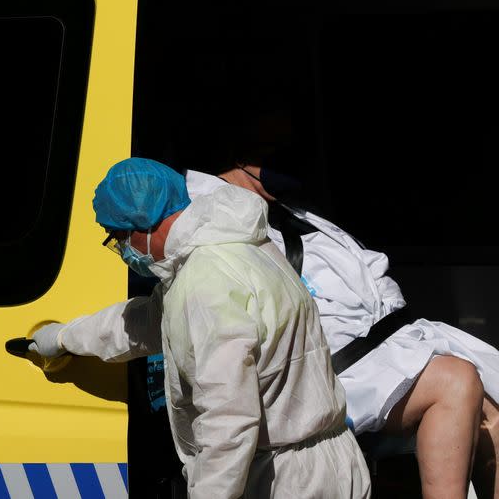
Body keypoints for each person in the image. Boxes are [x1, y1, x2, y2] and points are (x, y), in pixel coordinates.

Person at [31, 157, 370, 498]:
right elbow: (147, 320)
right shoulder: (240, 245)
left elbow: (227, 421)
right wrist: (63, 337)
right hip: (333, 462)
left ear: (143, 224)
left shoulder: (204, 285)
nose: (122, 251)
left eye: (118, 237)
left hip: (285, 482)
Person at [186, 163, 499, 499]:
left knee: (492, 410)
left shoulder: (289, 209)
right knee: (457, 381)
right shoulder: (214, 223)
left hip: (375, 346)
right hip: (321, 370)